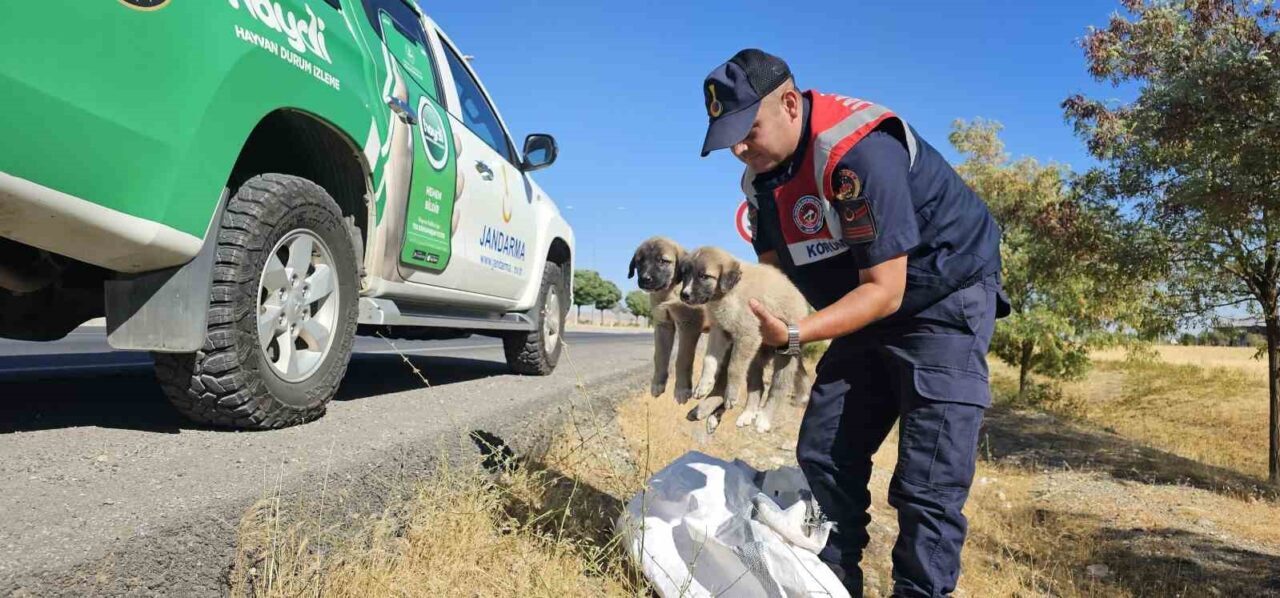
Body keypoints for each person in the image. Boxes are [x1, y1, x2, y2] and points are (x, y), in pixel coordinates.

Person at [699, 48, 1010, 597]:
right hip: (862, 305)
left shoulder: (859, 152)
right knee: (825, 452)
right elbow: (776, 287)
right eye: (729, 140)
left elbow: (885, 290)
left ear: (789, 104)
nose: (740, 149)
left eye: (747, 131)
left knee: (927, 483)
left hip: (943, 298)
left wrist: (796, 335)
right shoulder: (762, 184)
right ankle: (833, 586)